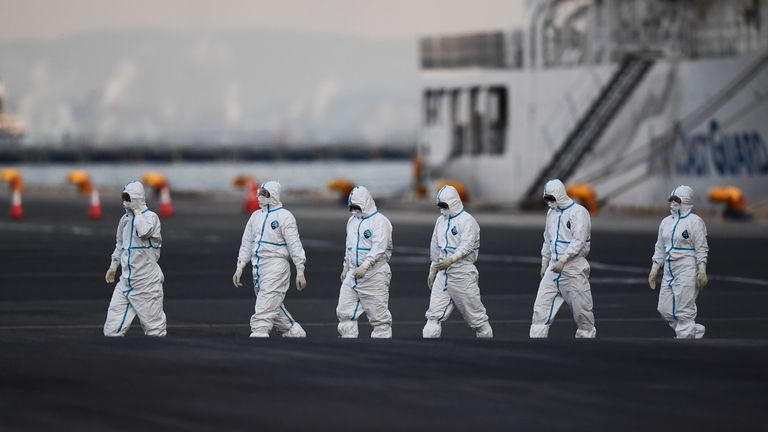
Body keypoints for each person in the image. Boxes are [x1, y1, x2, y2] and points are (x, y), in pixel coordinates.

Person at [233, 180, 308, 338]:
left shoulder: (285, 216)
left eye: (264, 194)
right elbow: (247, 242)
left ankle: (259, 331)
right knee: (270, 302)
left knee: (265, 303)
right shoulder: (255, 216)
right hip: (258, 266)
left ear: (273, 195)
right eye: (259, 193)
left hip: (276, 265)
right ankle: (293, 331)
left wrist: (300, 269)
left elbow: (294, 244)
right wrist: (240, 265)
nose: (260, 197)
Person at [423, 185, 493, 338]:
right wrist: (433, 267)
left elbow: (467, 245)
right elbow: (435, 245)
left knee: (477, 319)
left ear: (453, 202)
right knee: (433, 316)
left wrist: (452, 259)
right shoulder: (440, 221)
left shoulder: (467, 221)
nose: (441, 209)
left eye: (444, 205)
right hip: (443, 273)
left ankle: (486, 341)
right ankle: (429, 351)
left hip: (462, 273)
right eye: (439, 205)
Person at [530, 179, 596, 338]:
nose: (549, 202)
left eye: (551, 198)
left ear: (559, 195)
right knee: (541, 308)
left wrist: (563, 260)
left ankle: (586, 339)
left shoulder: (578, 212)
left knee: (582, 312)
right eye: (546, 199)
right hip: (554, 267)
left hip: (573, 268)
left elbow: (579, 241)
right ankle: (536, 340)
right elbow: (547, 238)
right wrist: (545, 261)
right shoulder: (551, 213)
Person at [103, 181, 167, 336]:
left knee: (155, 331)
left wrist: (138, 212)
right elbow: (120, 245)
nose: (125, 202)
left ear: (137, 198)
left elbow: (144, 231)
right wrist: (113, 266)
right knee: (111, 330)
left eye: (128, 198)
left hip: (146, 285)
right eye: (123, 198)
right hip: (125, 283)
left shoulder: (151, 218)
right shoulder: (124, 220)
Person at [648, 185, 709, 339]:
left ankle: (685, 339)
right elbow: (660, 247)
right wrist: (655, 268)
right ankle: (691, 330)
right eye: (671, 199)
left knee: (683, 310)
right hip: (669, 268)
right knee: (664, 309)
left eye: (677, 200)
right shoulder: (666, 222)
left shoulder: (695, 222)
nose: (673, 203)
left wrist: (702, 270)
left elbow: (701, 247)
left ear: (686, 201)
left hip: (687, 267)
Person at [336, 186, 393, 338]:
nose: (354, 210)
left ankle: (382, 345)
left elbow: (379, 247)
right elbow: (349, 245)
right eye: (351, 207)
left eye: (357, 207)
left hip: (374, 275)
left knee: (378, 318)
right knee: (344, 312)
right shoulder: (352, 221)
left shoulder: (380, 222)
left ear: (365, 203)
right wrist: (346, 266)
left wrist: (366, 265)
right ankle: (348, 342)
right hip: (353, 274)